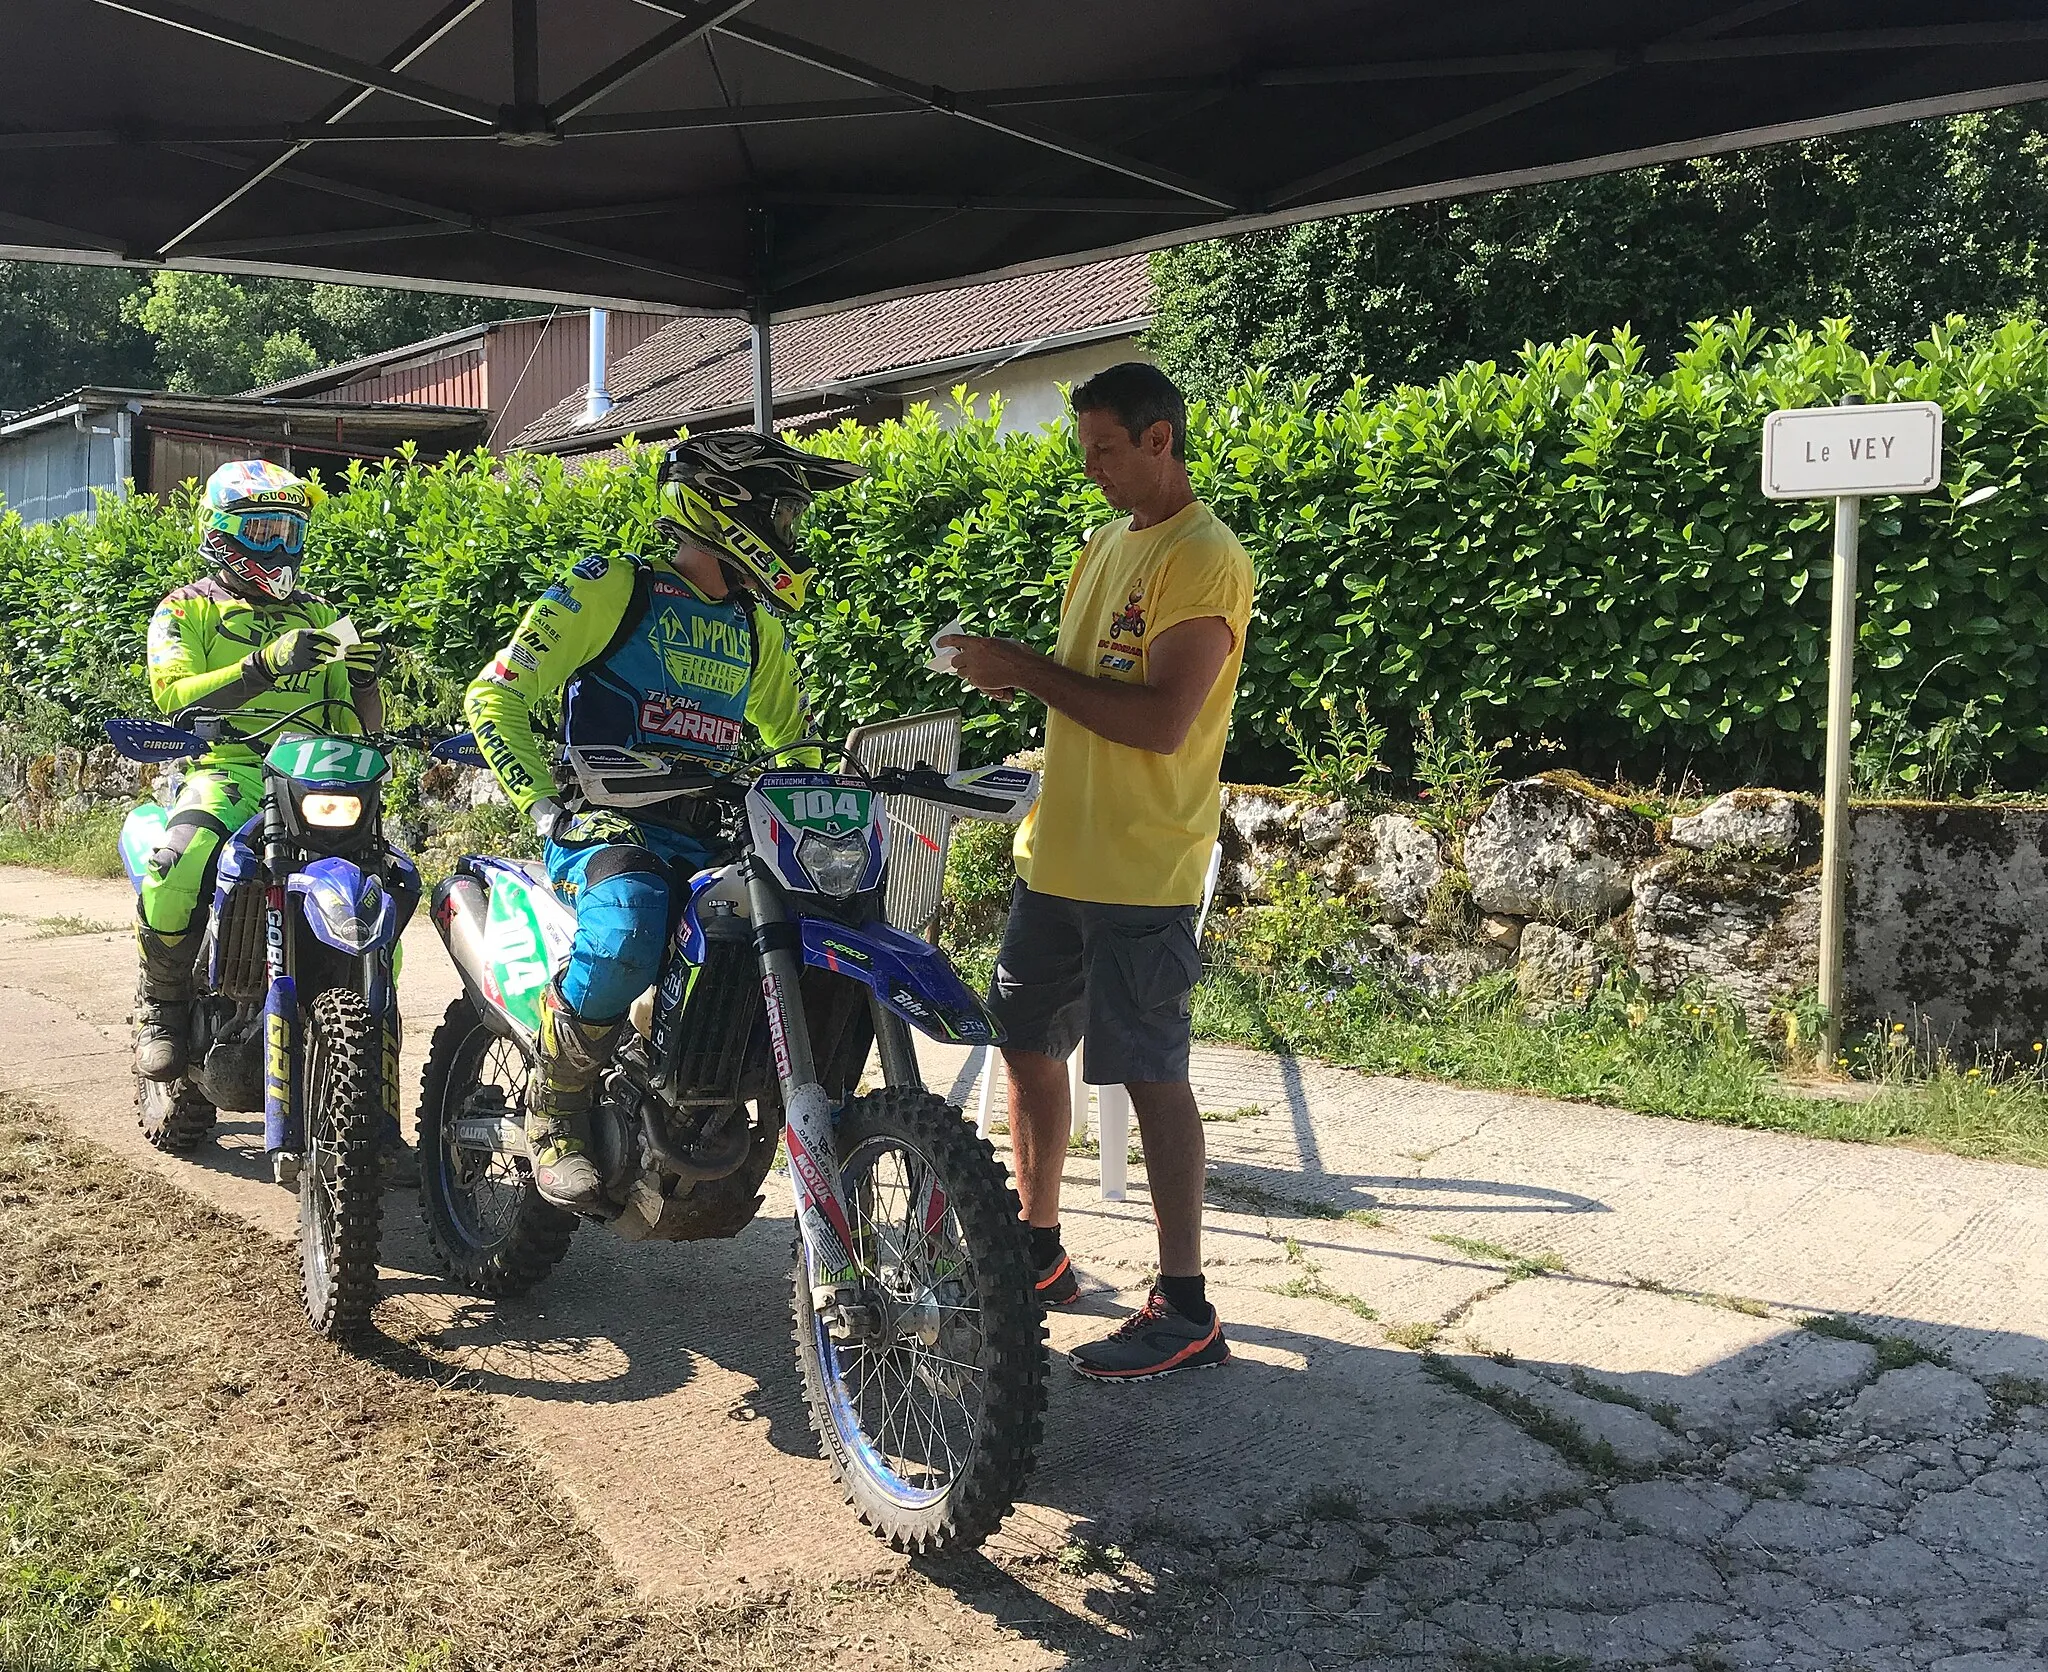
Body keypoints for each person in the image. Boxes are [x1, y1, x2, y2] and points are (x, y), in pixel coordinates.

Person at [942, 361, 1255, 1382]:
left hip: (1141, 868)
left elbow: (1162, 722)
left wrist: (1023, 667)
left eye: (1105, 452)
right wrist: (1011, 675)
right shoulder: (1103, 545)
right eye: (1084, 453)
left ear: (1159, 440)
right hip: (1058, 855)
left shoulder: (1204, 557)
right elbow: (1088, 691)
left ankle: (1186, 1302)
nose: (1091, 473)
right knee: (1024, 1045)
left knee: (1150, 1076)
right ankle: (1038, 1249)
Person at [464, 431, 863, 1212]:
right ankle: (556, 1110)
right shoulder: (614, 586)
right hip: (609, 823)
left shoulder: (755, 624)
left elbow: (798, 745)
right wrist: (541, 800)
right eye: (781, 515)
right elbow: (495, 695)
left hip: (713, 828)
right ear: (722, 511)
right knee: (628, 926)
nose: (792, 534)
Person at [138, 458, 384, 1072]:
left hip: (315, 780)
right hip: (231, 771)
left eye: (289, 531)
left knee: (382, 890)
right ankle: (162, 1006)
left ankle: (376, 1102)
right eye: (263, 529)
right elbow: (175, 695)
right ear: (220, 533)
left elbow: (362, 728)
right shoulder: (182, 611)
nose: (280, 545)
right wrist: (263, 666)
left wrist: (365, 680)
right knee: (178, 862)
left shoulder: (323, 615)